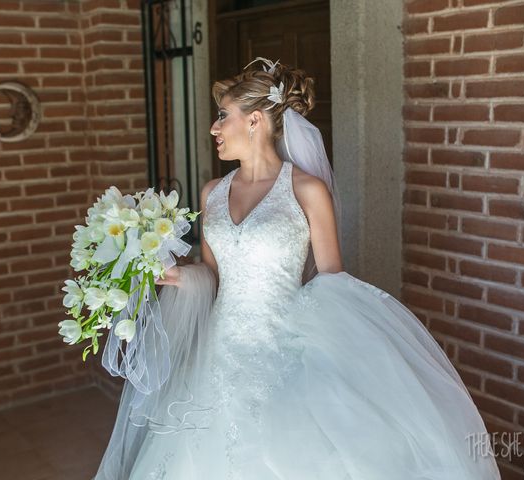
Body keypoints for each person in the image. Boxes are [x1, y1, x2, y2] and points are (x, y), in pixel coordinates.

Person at [92, 57, 502, 479]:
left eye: (222, 117)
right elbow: (213, 273)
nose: (214, 128)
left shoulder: (306, 189)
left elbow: (331, 281)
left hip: (284, 348)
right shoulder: (212, 192)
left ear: (254, 121)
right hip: (218, 350)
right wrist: (178, 275)